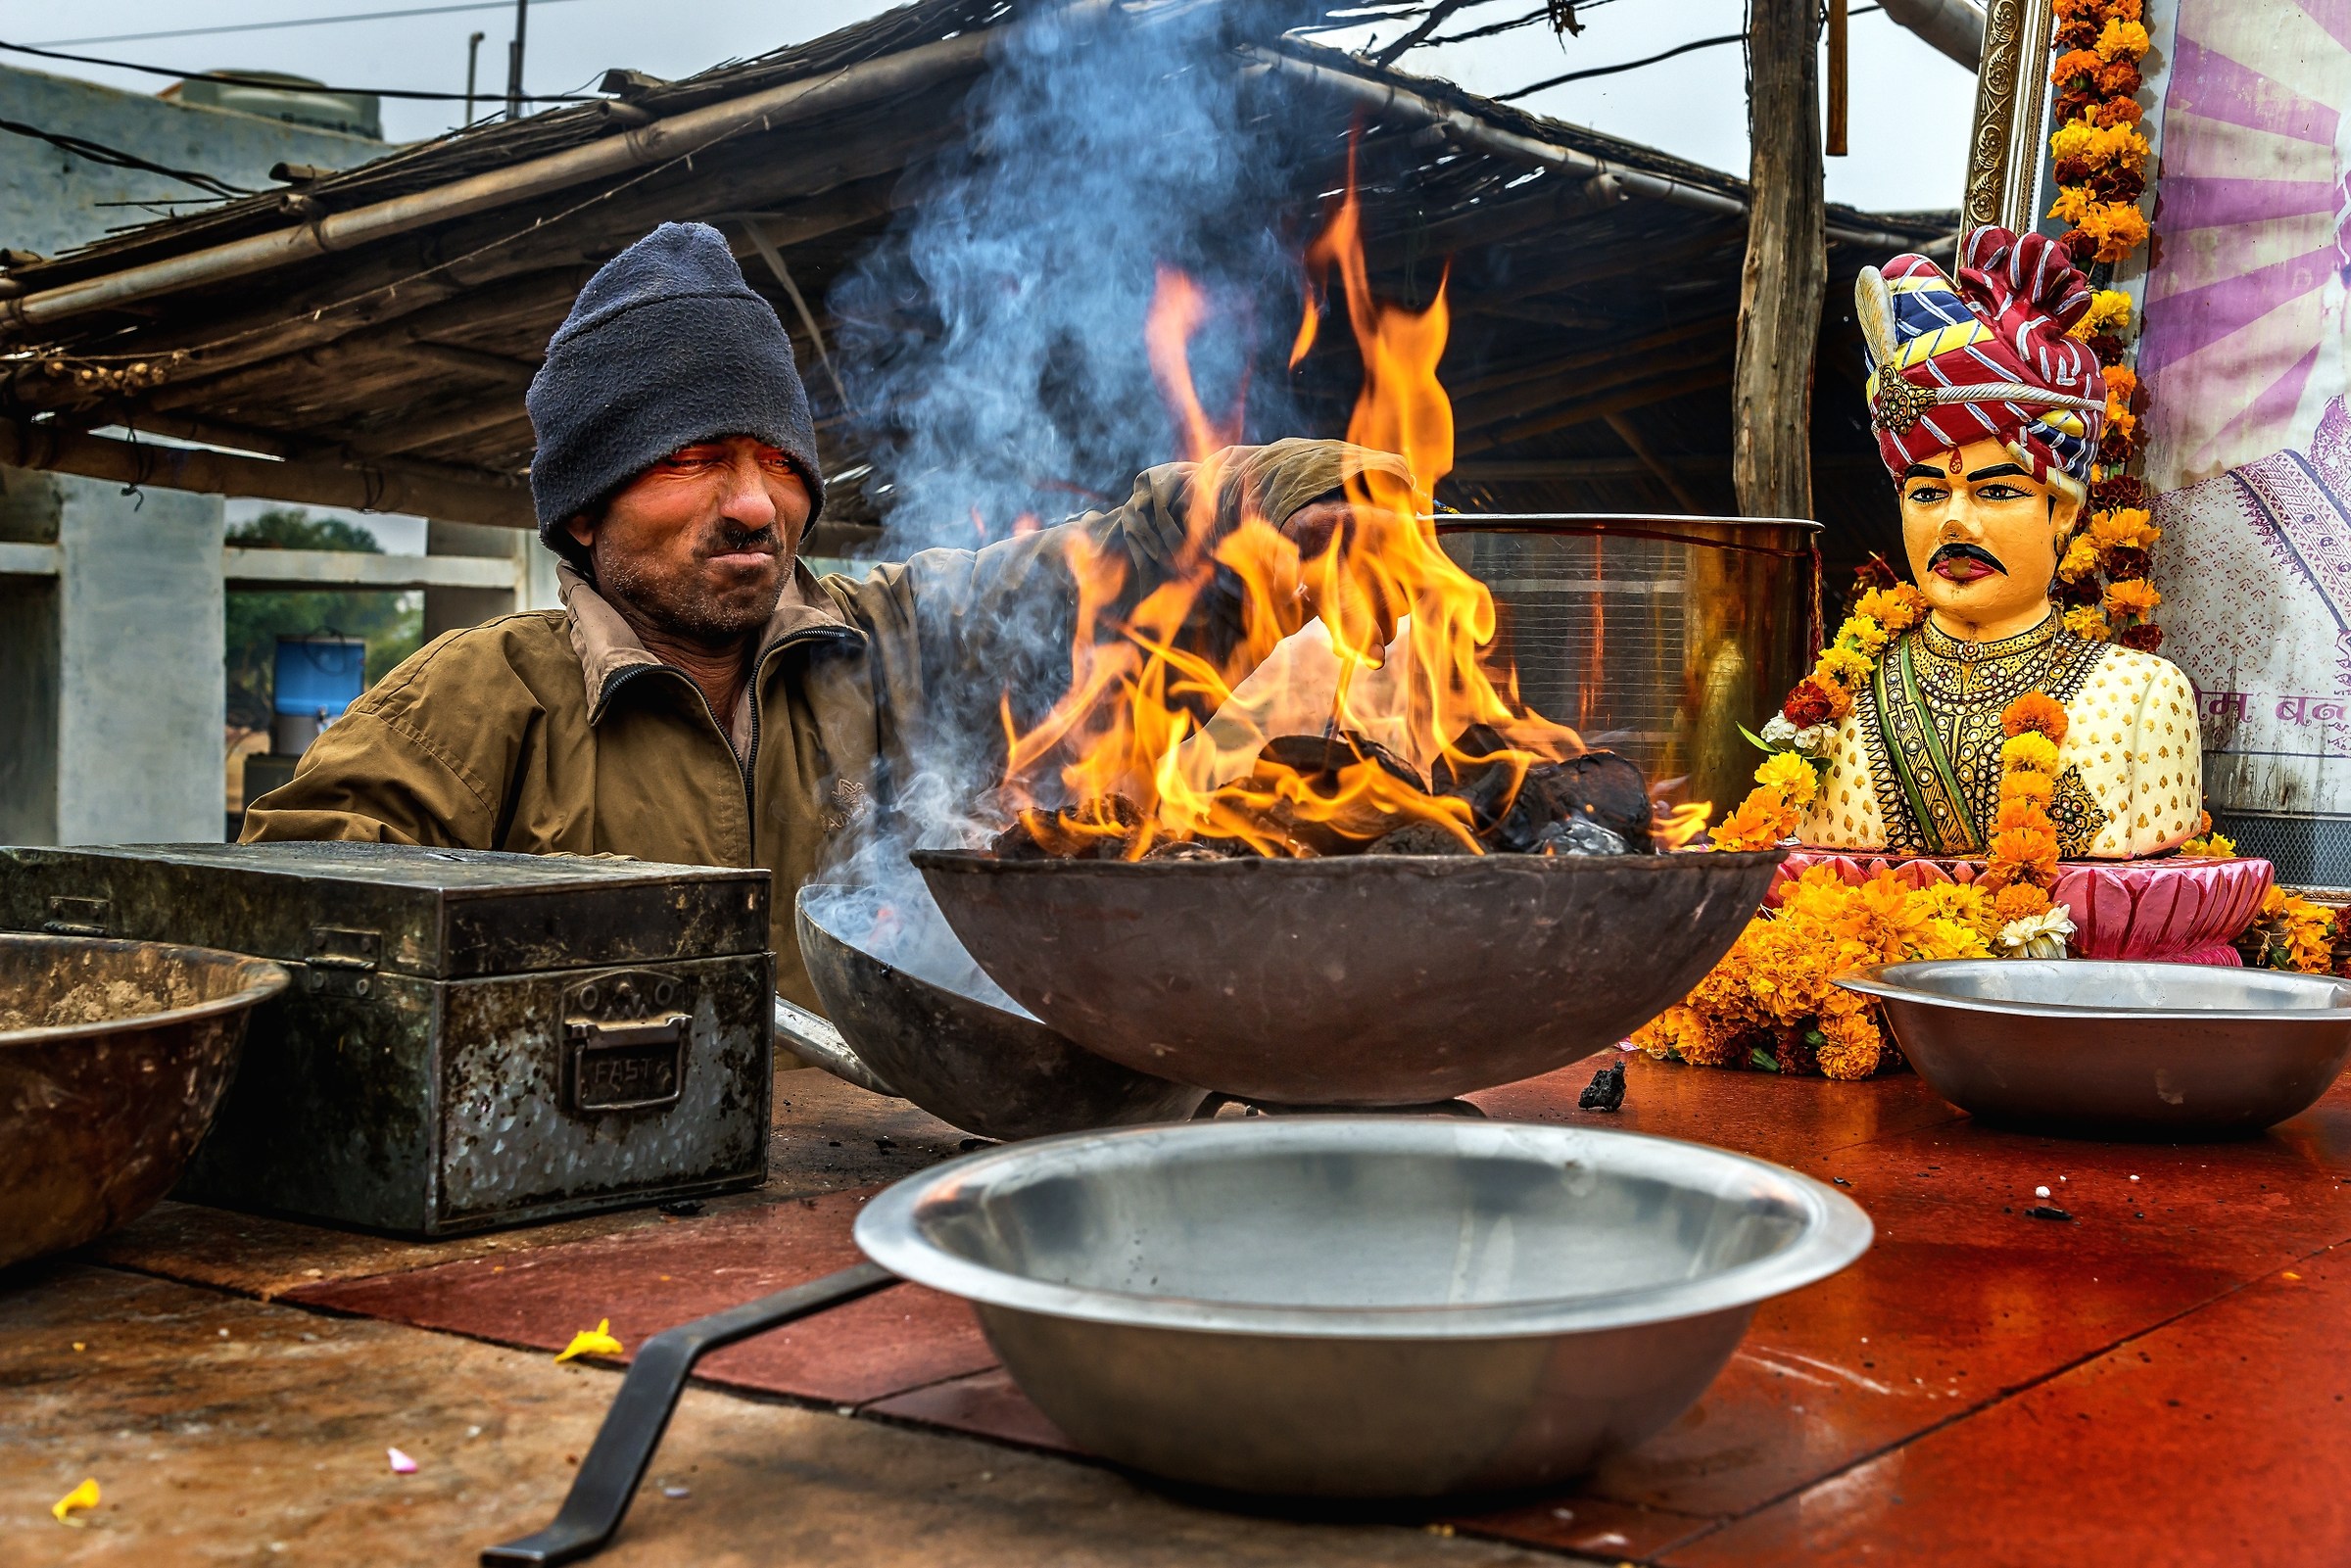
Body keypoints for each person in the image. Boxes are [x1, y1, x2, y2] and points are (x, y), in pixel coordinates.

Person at [241, 221, 1397, 1004]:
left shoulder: (892, 644)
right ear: (585, 512)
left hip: (861, 1190)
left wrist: (1301, 496)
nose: (754, 503)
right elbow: (277, 924)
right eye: (693, 459)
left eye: (776, 462)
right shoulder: (475, 699)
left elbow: (1135, 556)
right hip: (573, 1223)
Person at [1796, 226, 2201, 859]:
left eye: (1996, 491)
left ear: (2062, 509)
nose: (1955, 523)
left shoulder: (2143, 701)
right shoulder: (1835, 709)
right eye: (1927, 494)